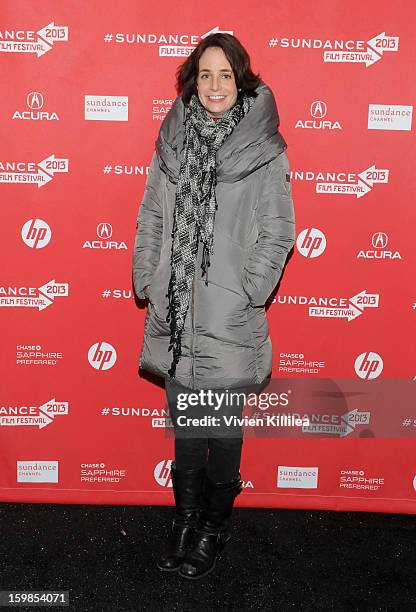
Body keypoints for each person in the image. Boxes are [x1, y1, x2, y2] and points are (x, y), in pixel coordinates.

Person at [132, 32, 296, 579]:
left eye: (226, 74)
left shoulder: (263, 150)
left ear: (242, 79)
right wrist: (150, 279)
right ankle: (183, 520)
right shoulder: (171, 145)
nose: (215, 84)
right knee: (186, 430)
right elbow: (153, 215)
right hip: (177, 313)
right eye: (205, 74)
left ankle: (212, 529)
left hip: (228, 314)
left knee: (222, 433)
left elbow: (278, 231)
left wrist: (247, 292)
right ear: (191, 81)